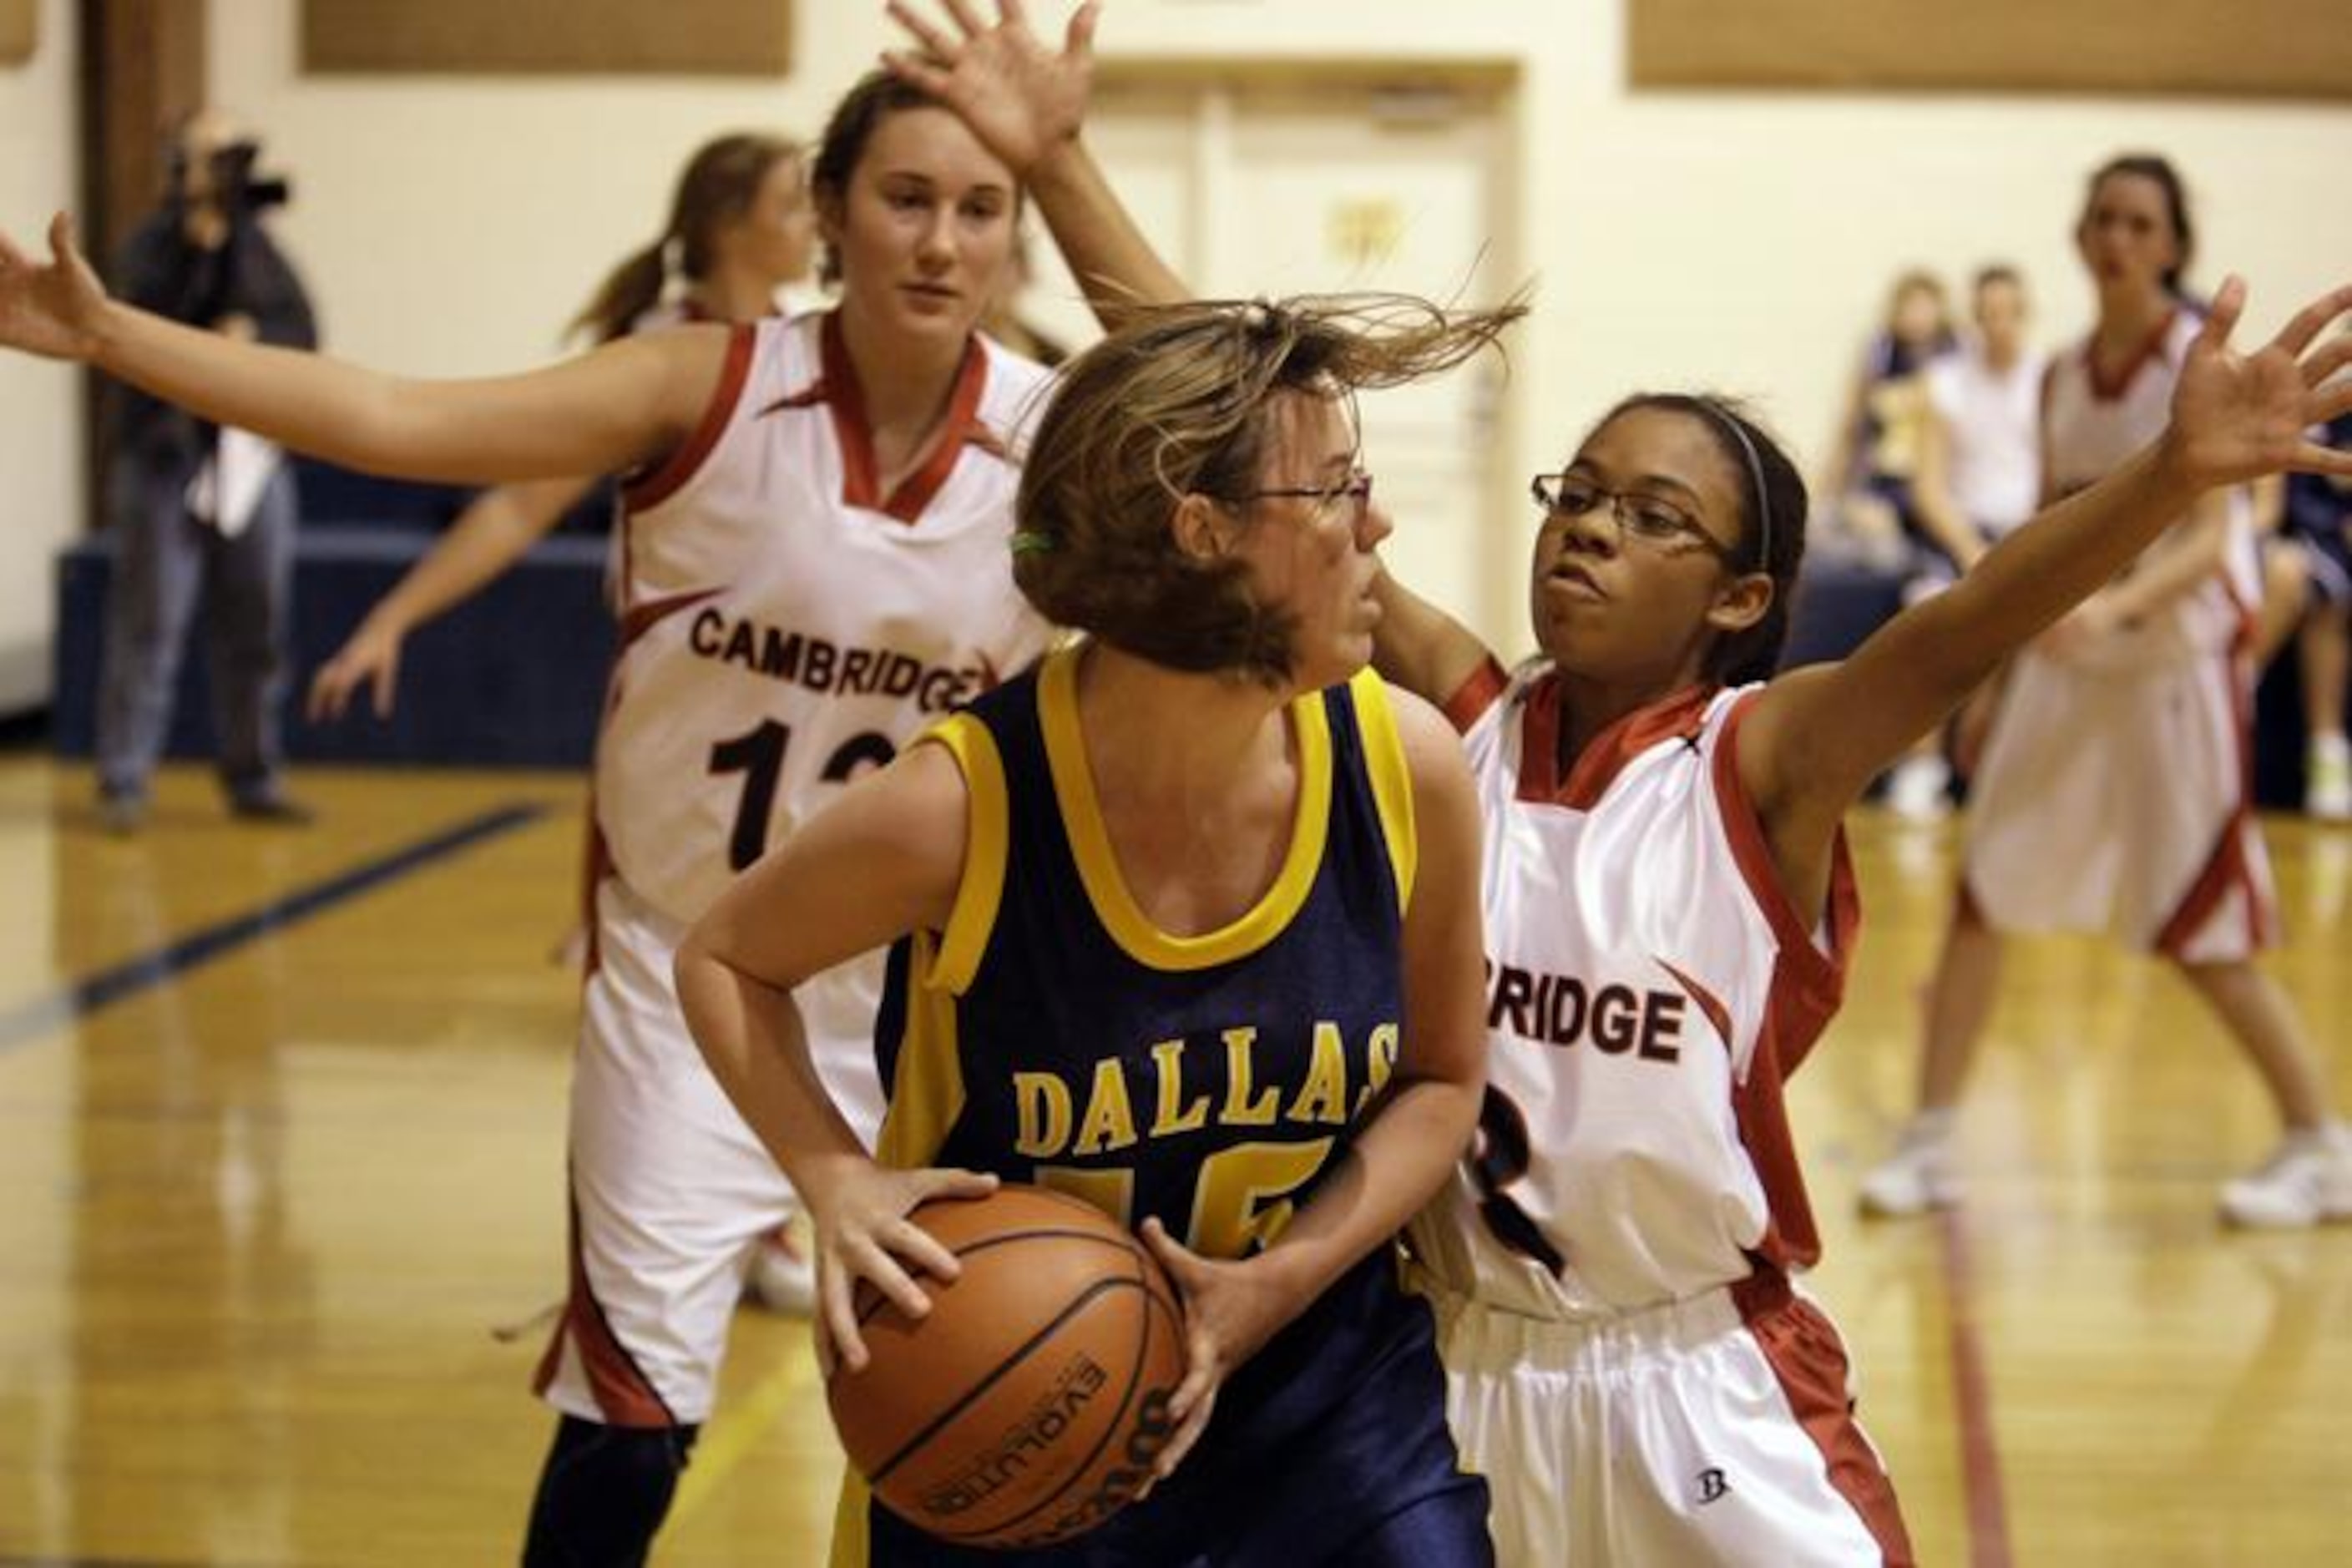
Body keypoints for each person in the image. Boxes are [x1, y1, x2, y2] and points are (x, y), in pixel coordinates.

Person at [878, 13, 2352, 1560]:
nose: (1585, 527)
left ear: (1736, 596)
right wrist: (1051, 160)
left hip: (1692, 1373)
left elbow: (1950, 634)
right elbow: (1237, 418)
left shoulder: (1756, 768)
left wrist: (2167, 475)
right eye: (1575, 493)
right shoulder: (1456, 720)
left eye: (1650, 516)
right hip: (1447, 1370)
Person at [0, 67, 1070, 1565]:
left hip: (933, 1001)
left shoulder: (1061, 441)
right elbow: (391, 415)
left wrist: (1069, 163)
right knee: (631, 1432)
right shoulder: (702, 382)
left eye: (982, 207)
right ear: (828, 211)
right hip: (691, 981)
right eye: (906, 198)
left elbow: (1239, 419)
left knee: (980, 1422)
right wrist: (109, 333)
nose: (942, 242)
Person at [676, 290, 1515, 1566]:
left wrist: (1280, 1281)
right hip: (1032, 1413)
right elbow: (726, 955)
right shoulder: (966, 803)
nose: (1377, 527)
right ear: (1203, 532)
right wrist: (834, 1177)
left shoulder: (1406, 763)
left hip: (1323, 1403)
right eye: (1337, 490)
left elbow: (1444, 1080)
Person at [1860, 154, 2352, 1230]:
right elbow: (2049, 525)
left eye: (2142, 222)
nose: (2121, 238)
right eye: (2106, 219)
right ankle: (1936, 1137)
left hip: (2173, 665)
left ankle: (2322, 1144)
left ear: (2172, 245)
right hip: (2074, 661)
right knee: (1984, 886)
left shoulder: (2193, 355)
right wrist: (2006, 660)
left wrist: (2117, 611)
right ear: (2084, 239)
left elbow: (2216, 535)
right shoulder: (2063, 373)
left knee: (2199, 920)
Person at [306, 129, 816, 725]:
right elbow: (522, 506)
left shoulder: (807, 347)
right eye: (791, 205)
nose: (811, 223)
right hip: (684, 678)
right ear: (730, 226)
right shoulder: (660, 354)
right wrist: (391, 618)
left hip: (800, 668)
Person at [94, 108, 317, 834]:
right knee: (150, 622)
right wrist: (195, 252)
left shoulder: (261, 250)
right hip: (165, 458)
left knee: (257, 624)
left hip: (249, 463)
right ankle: (124, 780)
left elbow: (303, 335)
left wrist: (252, 330)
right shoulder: (151, 248)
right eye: (203, 156)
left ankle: (253, 773)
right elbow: (128, 333)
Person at [1882, 263, 2046, 819]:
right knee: (1928, 612)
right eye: (1987, 314)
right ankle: (1921, 763)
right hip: (1961, 536)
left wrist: (2026, 544)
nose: (1998, 325)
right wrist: (1971, 549)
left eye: (2009, 313)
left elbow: (2060, 477)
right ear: (1973, 318)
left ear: (2025, 316)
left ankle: (2010, 770)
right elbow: (1927, 487)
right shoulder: (1945, 382)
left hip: (2029, 534)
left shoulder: (2049, 379)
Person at [2283, 409, 2352, 819]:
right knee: (2330, 594)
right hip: (2326, 539)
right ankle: (2327, 748)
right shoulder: (2330, 401)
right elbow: (2296, 495)